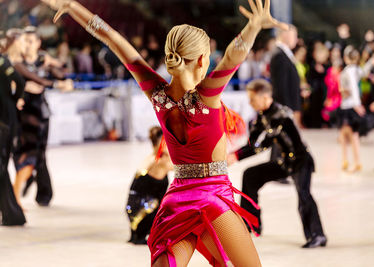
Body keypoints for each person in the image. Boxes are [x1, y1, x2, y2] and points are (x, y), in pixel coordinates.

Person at [40, 0, 288, 265]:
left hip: (177, 200)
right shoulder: (207, 96)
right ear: (203, 60)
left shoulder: (156, 93)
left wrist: (72, 7)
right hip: (214, 197)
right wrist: (252, 28)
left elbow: (112, 39)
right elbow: (232, 57)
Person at [227, 79, 327, 248]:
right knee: (251, 175)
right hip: (284, 161)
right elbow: (253, 142)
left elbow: (263, 145)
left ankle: (317, 235)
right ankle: (251, 223)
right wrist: (235, 153)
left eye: (253, 99)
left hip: (301, 161)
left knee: (304, 195)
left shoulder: (281, 115)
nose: (250, 103)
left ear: (265, 96)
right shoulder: (262, 115)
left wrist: (236, 156)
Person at [10, 28, 73, 208]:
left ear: (38, 43)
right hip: (22, 112)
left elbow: (62, 76)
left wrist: (55, 66)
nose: (28, 45)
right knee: (22, 152)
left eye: (31, 41)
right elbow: (34, 81)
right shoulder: (18, 61)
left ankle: (44, 193)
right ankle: (27, 179)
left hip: (40, 113)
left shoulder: (43, 60)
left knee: (40, 153)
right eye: (25, 41)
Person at [126, 126, 172, 245]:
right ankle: (143, 232)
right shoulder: (161, 162)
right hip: (143, 212)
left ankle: (138, 232)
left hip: (135, 211)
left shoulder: (152, 158)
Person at [338, 46, 374, 172]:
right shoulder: (355, 70)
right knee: (348, 134)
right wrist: (371, 62)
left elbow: (353, 89)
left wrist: (356, 105)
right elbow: (364, 72)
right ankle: (347, 159)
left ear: (345, 58)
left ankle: (354, 161)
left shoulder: (348, 71)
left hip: (349, 106)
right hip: (349, 105)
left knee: (350, 135)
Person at [0, 49, 26, 226]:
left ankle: (13, 214)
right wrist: (14, 99)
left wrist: (14, 99)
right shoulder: (3, 61)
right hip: (7, 117)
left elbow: (20, 81)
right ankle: (12, 214)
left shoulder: (3, 61)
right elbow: (20, 83)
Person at [270, 25, 301, 127]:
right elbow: (280, 85)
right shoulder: (279, 54)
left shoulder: (284, 53)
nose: (296, 40)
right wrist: (286, 108)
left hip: (289, 105)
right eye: (294, 36)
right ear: (285, 35)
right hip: (285, 106)